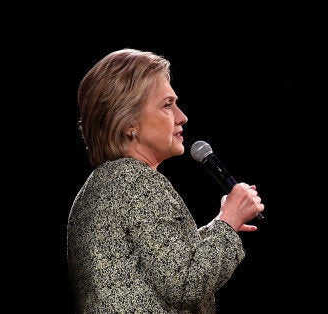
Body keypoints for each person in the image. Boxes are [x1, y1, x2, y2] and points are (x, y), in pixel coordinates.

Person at [66, 48, 265, 313]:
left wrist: (222, 223)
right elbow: (185, 285)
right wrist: (228, 225)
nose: (182, 117)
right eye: (167, 105)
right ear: (129, 123)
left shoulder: (109, 182)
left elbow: (158, 264)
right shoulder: (136, 182)